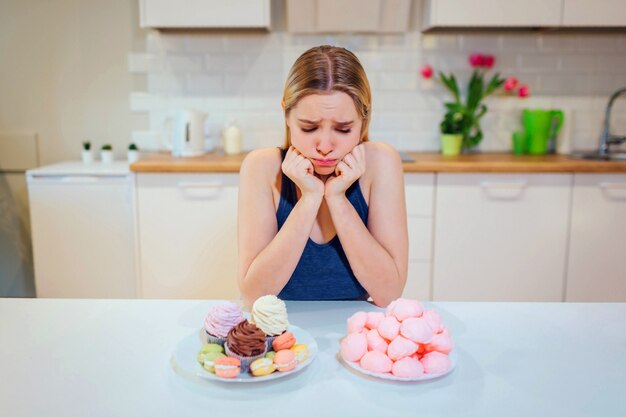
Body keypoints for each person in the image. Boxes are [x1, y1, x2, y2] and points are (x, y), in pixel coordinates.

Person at [237, 45, 408, 308]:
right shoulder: (261, 167)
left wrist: (338, 198)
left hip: (354, 331)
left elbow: (388, 294)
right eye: (309, 127)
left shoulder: (381, 163)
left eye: (343, 129)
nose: (325, 145)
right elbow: (253, 296)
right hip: (281, 334)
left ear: (363, 119)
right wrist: (310, 198)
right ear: (286, 115)